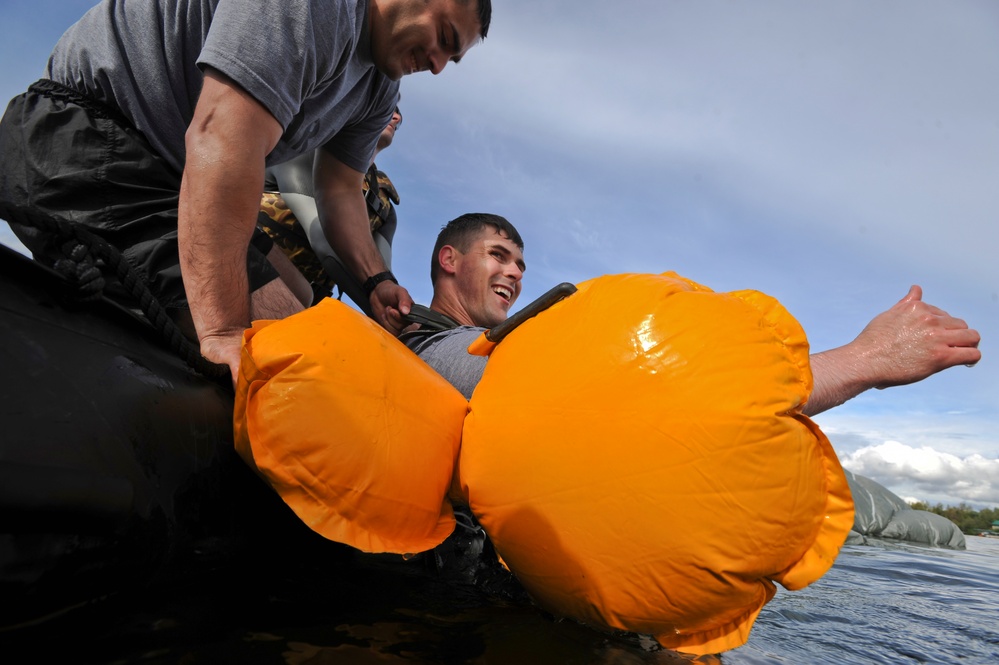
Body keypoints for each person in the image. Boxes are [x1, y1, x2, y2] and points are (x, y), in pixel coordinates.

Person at [0, 0, 491, 384]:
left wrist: (373, 280)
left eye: (454, 56)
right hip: (82, 135)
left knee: (298, 297)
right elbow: (220, 136)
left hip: (172, 179)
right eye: (444, 38)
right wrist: (224, 333)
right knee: (286, 350)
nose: (439, 65)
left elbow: (339, 188)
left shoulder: (378, 90)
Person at [402, 213, 982, 412]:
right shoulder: (431, 349)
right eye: (498, 256)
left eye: (521, 263)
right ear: (448, 260)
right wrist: (864, 360)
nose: (515, 273)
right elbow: (618, 384)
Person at [257, 106, 404, 309]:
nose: (396, 117)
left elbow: (383, 273)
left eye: (398, 117)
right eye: (388, 109)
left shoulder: (383, 205)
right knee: (303, 294)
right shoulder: (304, 152)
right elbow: (321, 236)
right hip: (245, 268)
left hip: (307, 308)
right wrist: (382, 306)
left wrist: (402, 312)